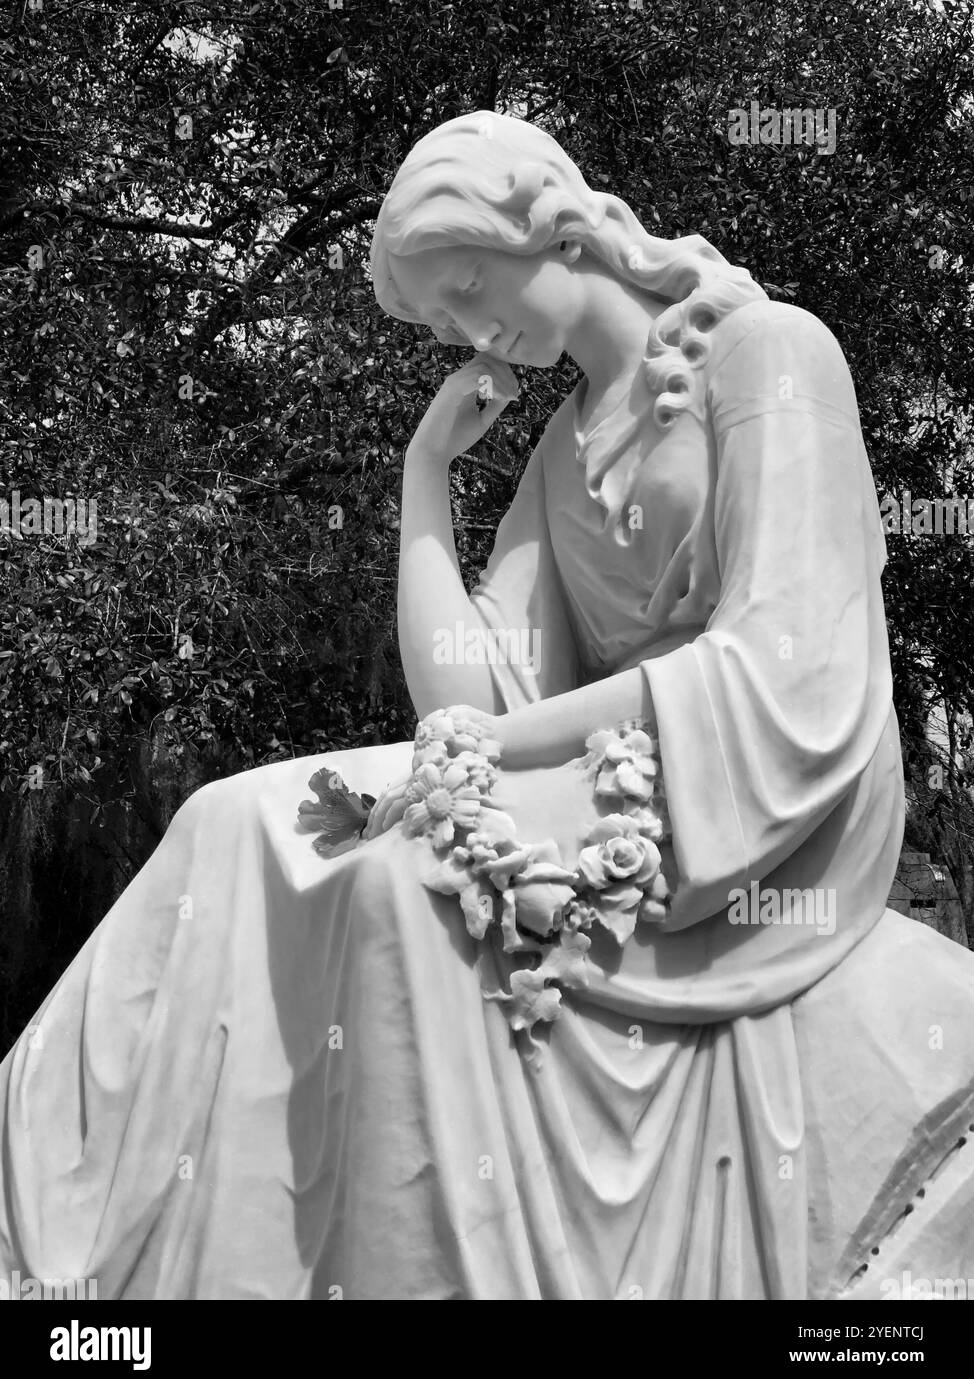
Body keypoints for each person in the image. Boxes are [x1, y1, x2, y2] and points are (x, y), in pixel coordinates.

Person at [2, 110, 973, 1301]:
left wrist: (485, 749)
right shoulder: (559, 453)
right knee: (228, 817)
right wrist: (425, 477)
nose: (472, 331)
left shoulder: (770, 354)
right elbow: (463, 689)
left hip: (762, 779)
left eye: (468, 286)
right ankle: (67, 1254)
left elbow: (792, 658)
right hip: (601, 757)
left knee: (406, 882)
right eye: (443, 321)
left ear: (549, 221)